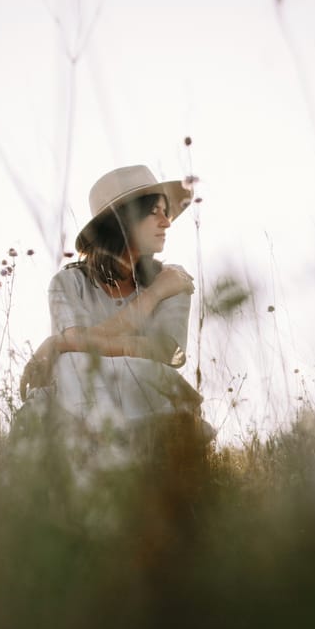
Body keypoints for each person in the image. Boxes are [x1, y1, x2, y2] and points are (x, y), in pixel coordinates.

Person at [17, 165, 214, 459]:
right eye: (155, 212)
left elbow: (163, 351)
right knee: (71, 369)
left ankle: (110, 457)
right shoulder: (68, 283)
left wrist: (62, 343)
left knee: (73, 362)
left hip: (147, 395)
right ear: (123, 222)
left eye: (167, 212)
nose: (167, 222)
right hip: (76, 400)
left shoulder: (173, 280)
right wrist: (152, 298)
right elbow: (77, 343)